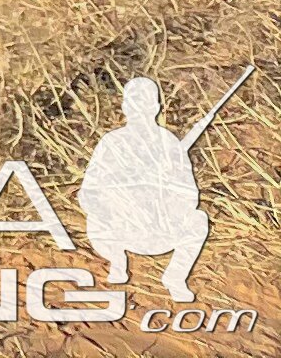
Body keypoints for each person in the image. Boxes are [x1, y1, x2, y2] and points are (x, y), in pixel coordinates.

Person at [78, 78, 216, 302]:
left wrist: (161, 201)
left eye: (144, 105)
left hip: (161, 232)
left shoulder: (169, 143)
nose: (138, 111)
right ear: (124, 108)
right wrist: (115, 204)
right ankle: (118, 262)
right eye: (134, 105)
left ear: (155, 108)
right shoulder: (111, 142)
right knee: (94, 218)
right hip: (121, 230)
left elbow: (189, 195)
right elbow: (88, 192)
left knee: (198, 219)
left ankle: (175, 277)